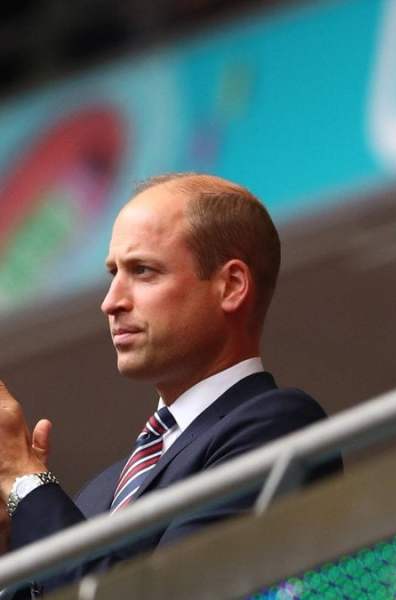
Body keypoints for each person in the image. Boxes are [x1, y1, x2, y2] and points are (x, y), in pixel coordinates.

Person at [0, 173, 342, 594]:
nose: (111, 301)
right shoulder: (98, 492)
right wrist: (13, 540)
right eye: (113, 273)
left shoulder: (279, 426)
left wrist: (25, 480)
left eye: (143, 271)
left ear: (231, 286)